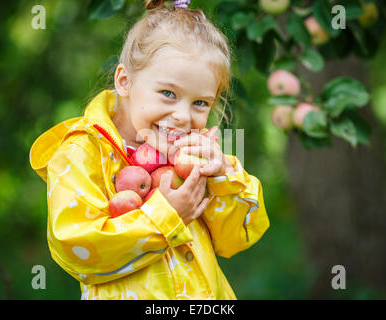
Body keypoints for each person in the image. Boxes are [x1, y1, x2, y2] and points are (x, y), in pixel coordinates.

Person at [29, 0, 270, 300]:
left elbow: (236, 238)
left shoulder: (196, 153)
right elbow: (75, 247)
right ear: (125, 81)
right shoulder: (83, 153)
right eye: (168, 93)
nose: (183, 116)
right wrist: (165, 216)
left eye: (200, 103)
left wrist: (223, 175)